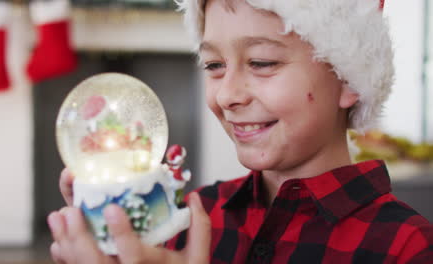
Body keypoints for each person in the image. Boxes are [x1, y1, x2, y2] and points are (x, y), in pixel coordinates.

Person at [47, 0, 433, 263]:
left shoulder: (407, 246)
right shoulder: (188, 218)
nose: (227, 94)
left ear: (349, 78)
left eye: (262, 62)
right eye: (214, 65)